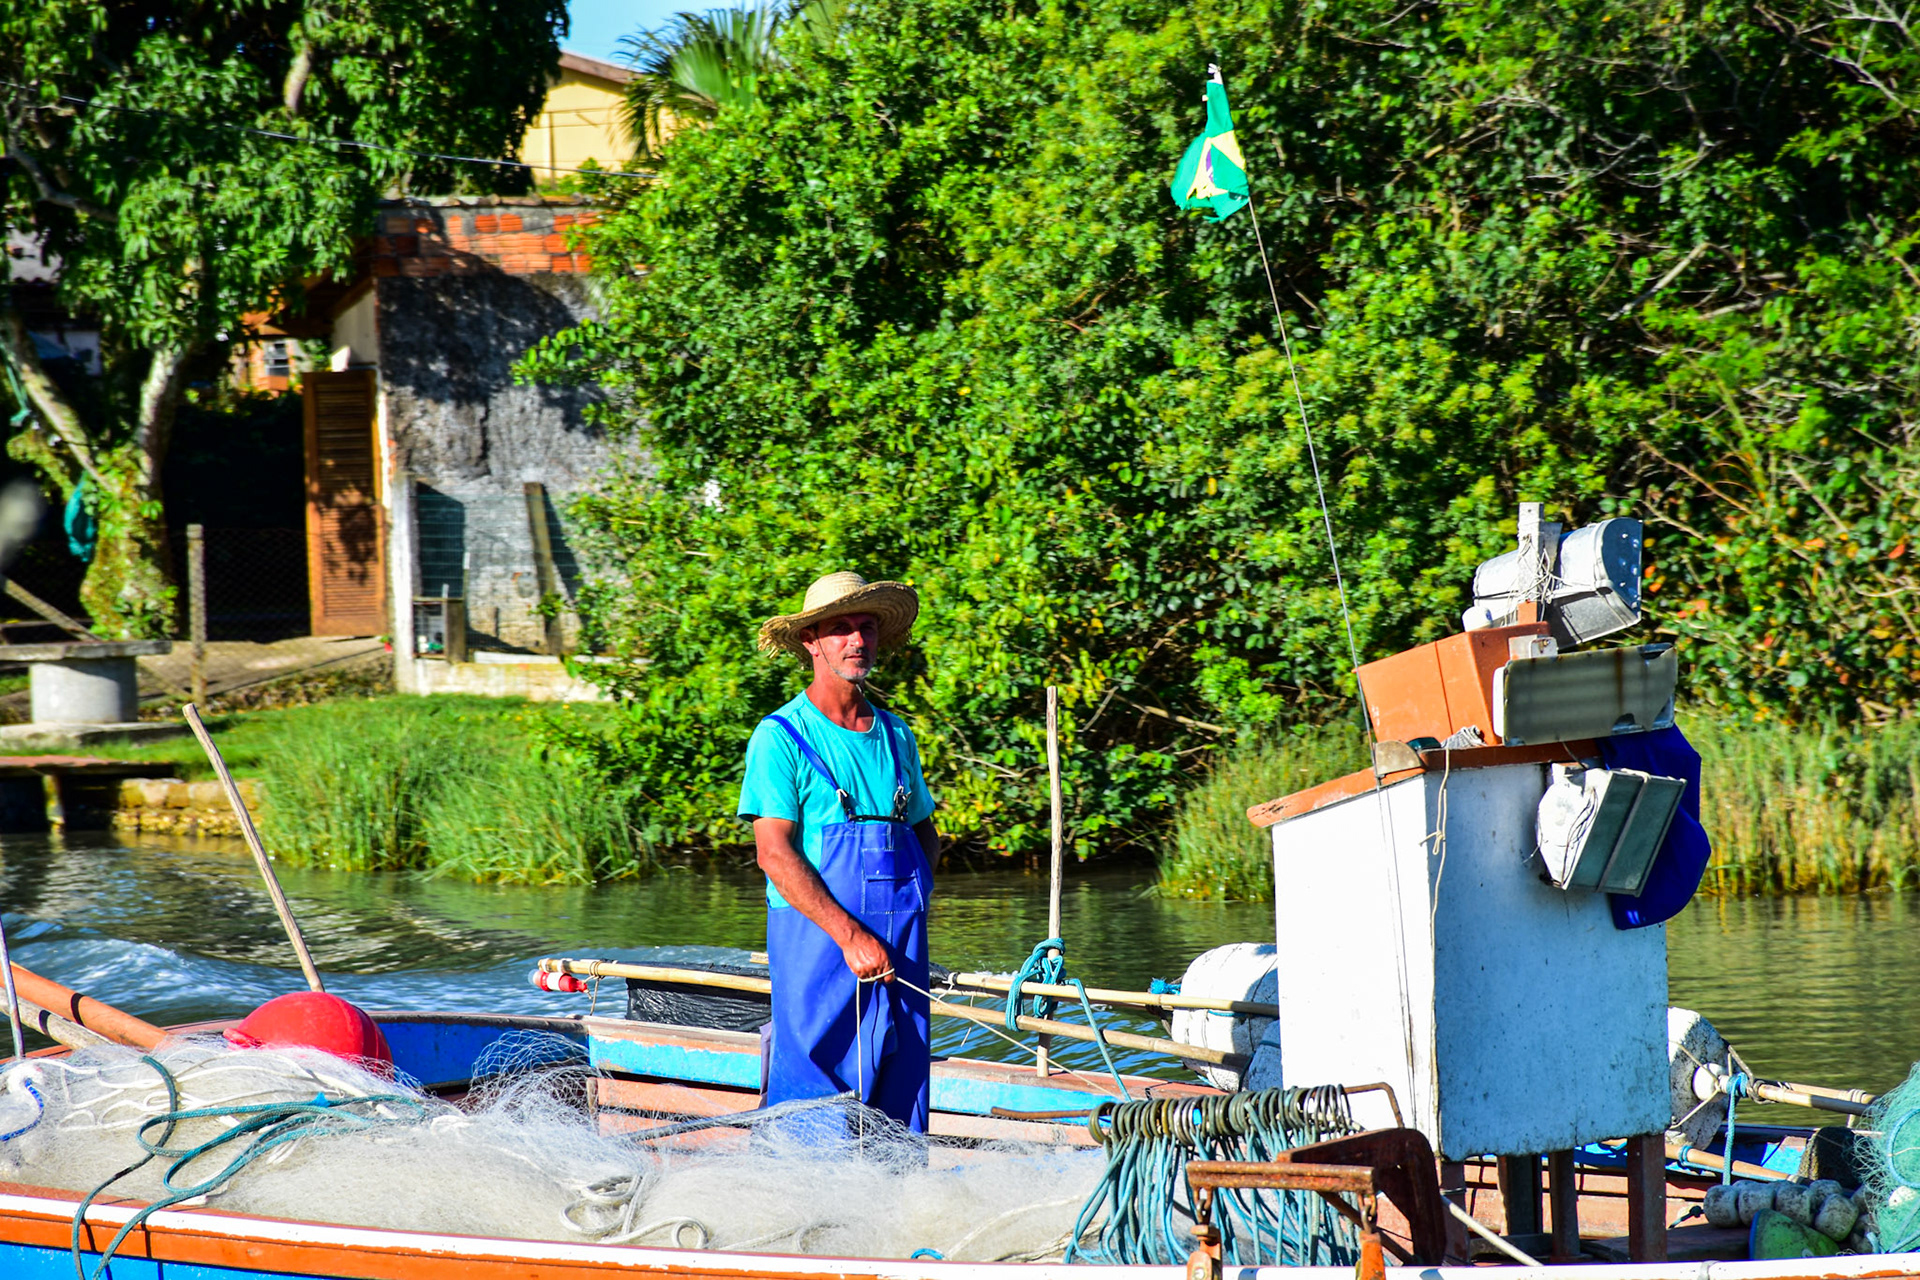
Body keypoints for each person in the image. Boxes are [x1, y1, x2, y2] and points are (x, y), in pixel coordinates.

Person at [737, 571, 940, 1134]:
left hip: (901, 944)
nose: (857, 640)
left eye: (867, 627)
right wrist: (851, 937)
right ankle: (805, 1202)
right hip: (819, 946)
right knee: (814, 1089)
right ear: (811, 642)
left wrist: (913, 902)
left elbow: (925, 832)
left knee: (902, 1087)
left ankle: (896, 1206)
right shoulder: (781, 736)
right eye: (840, 628)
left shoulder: (898, 736)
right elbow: (773, 853)